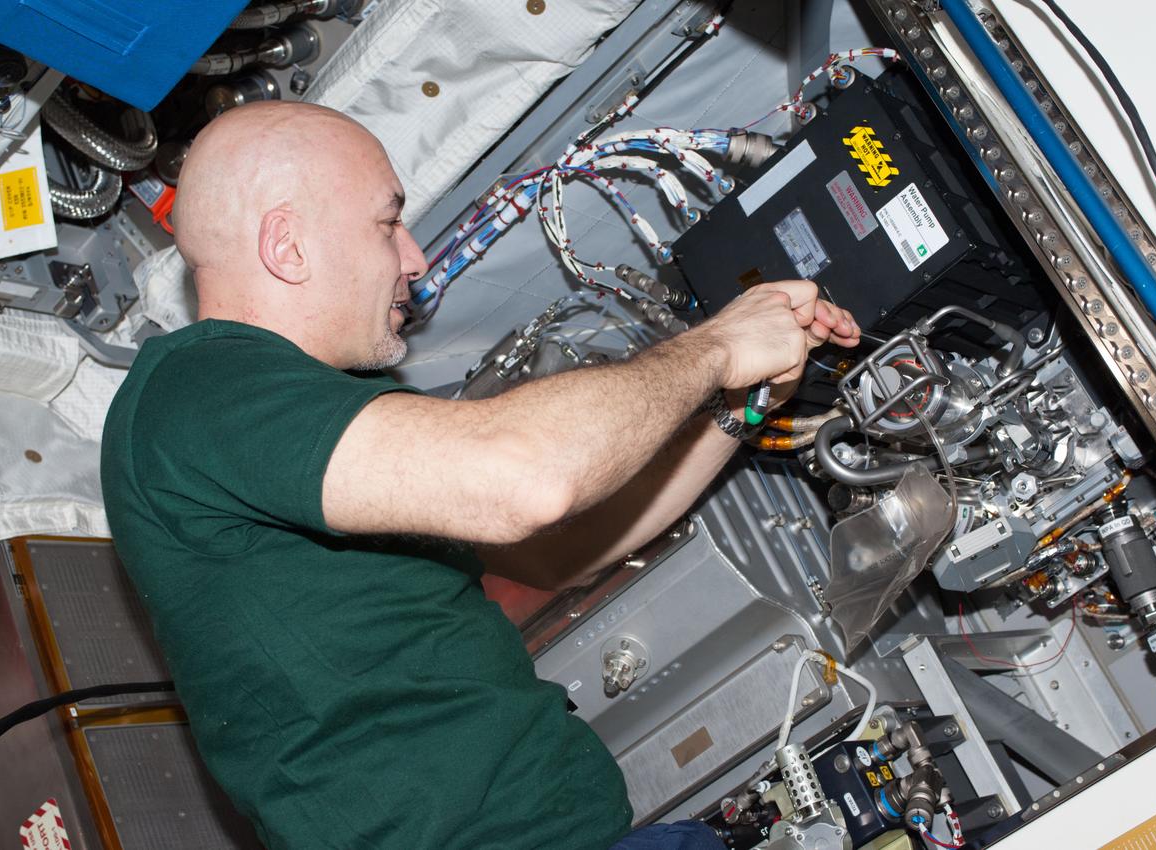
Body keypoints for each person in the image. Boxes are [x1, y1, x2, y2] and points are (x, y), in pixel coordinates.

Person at [100, 101, 859, 850]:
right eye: (386, 222)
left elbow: (554, 556)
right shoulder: (198, 390)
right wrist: (720, 345)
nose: (415, 258)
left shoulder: (333, 414)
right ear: (288, 247)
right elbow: (528, 479)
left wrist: (738, 407)